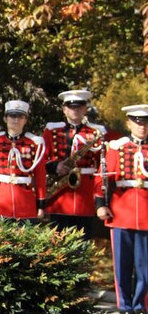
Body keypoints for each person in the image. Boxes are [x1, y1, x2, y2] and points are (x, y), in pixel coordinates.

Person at [95, 104, 148, 314]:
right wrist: (101, 204)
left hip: (146, 211)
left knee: (145, 264)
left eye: (144, 122)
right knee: (122, 262)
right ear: (128, 124)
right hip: (122, 208)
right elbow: (103, 177)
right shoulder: (118, 147)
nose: (141, 126)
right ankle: (125, 304)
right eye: (137, 122)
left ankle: (141, 304)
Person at [0, 100, 47, 223]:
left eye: (20, 116)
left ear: (25, 120)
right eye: (12, 116)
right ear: (5, 118)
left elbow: (40, 176)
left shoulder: (35, 143)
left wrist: (41, 204)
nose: (16, 120)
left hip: (25, 205)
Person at [44, 89, 106, 235]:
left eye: (79, 107)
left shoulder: (96, 133)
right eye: (71, 107)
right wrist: (55, 166)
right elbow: (41, 160)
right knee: (58, 245)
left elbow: (102, 167)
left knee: (83, 246)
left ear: (85, 109)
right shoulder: (52, 131)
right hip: (59, 196)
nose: (75, 110)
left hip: (85, 194)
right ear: (64, 109)